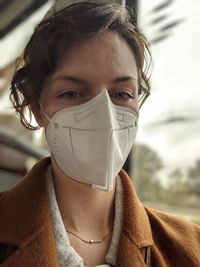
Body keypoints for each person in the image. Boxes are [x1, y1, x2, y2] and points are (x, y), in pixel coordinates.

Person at [0, 1, 199, 266]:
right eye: (72, 93)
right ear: (38, 108)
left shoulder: (191, 247)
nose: (104, 114)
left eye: (121, 94)